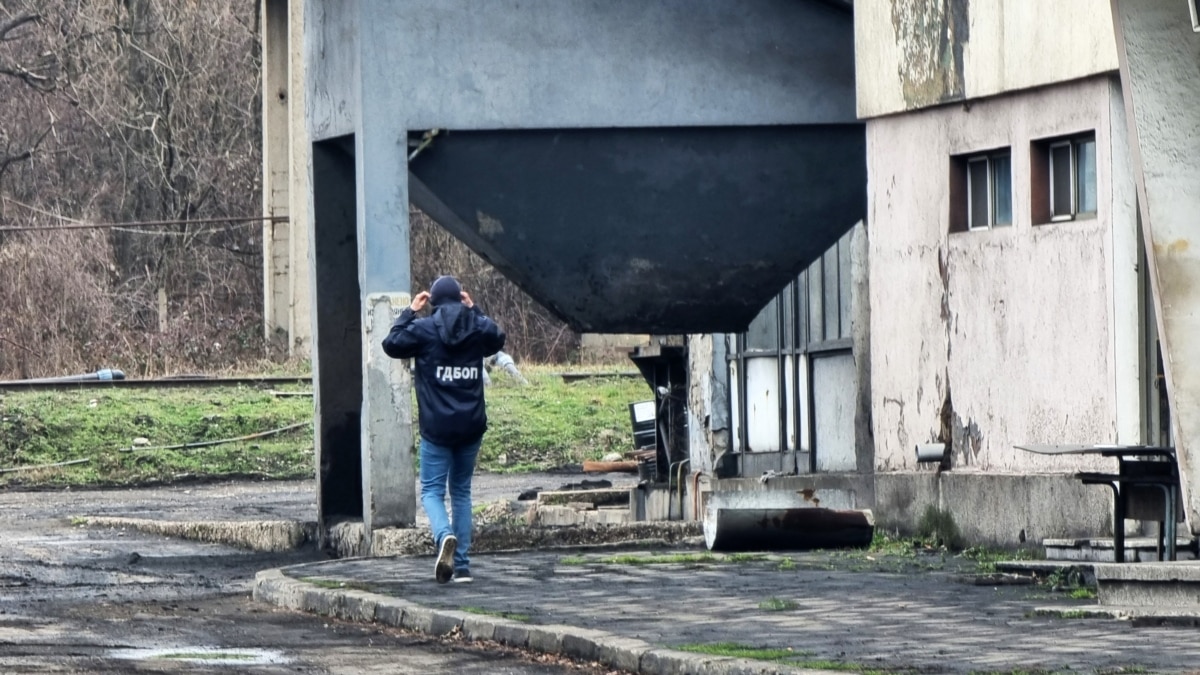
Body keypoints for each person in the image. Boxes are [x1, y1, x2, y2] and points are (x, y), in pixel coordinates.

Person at [381, 276, 506, 584]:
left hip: (437, 428)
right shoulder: (476, 328)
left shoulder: (423, 330)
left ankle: (444, 535)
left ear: (432, 302)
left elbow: (391, 344)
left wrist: (410, 310)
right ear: (460, 298)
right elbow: (497, 337)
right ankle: (462, 566)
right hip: (470, 426)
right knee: (461, 491)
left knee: (432, 492)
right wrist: (474, 309)